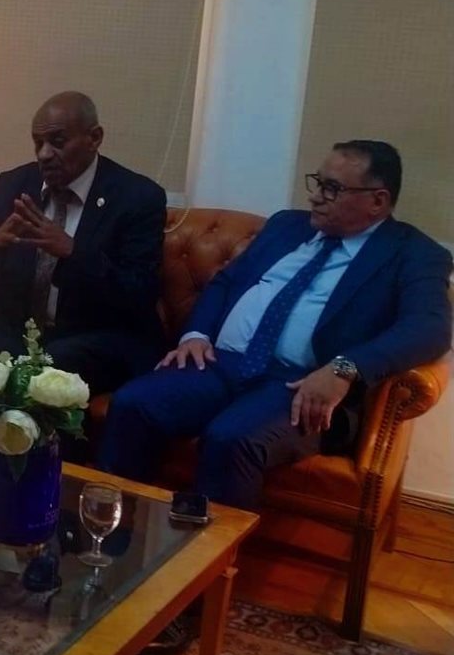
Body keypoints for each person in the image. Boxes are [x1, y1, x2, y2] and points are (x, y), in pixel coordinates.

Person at [99, 140, 452, 511]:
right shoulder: (287, 226)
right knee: (133, 404)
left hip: (301, 384)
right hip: (221, 364)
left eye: (332, 188)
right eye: (317, 182)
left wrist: (344, 368)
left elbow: (430, 327)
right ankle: (113, 528)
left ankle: (209, 548)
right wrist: (196, 333)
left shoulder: (413, 254)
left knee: (230, 438)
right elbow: (225, 283)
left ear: (377, 201)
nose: (316, 196)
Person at [0, 91, 167, 419]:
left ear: (94, 138)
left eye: (58, 142)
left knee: (48, 366)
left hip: (95, 336)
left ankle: (20, 448)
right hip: (19, 331)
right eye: (38, 143)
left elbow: (138, 293)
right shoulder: (17, 184)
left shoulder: (137, 197)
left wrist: (71, 252)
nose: (45, 154)